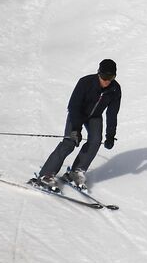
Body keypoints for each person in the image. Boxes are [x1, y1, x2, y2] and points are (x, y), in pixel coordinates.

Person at [31, 59, 121, 191]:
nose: (107, 81)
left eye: (111, 77)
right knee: (69, 142)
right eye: (104, 77)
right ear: (98, 73)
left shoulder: (115, 89)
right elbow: (73, 106)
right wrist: (75, 129)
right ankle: (46, 175)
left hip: (95, 117)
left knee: (95, 141)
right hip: (78, 113)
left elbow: (112, 114)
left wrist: (110, 136)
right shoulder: (85, 82)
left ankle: (76, 172)